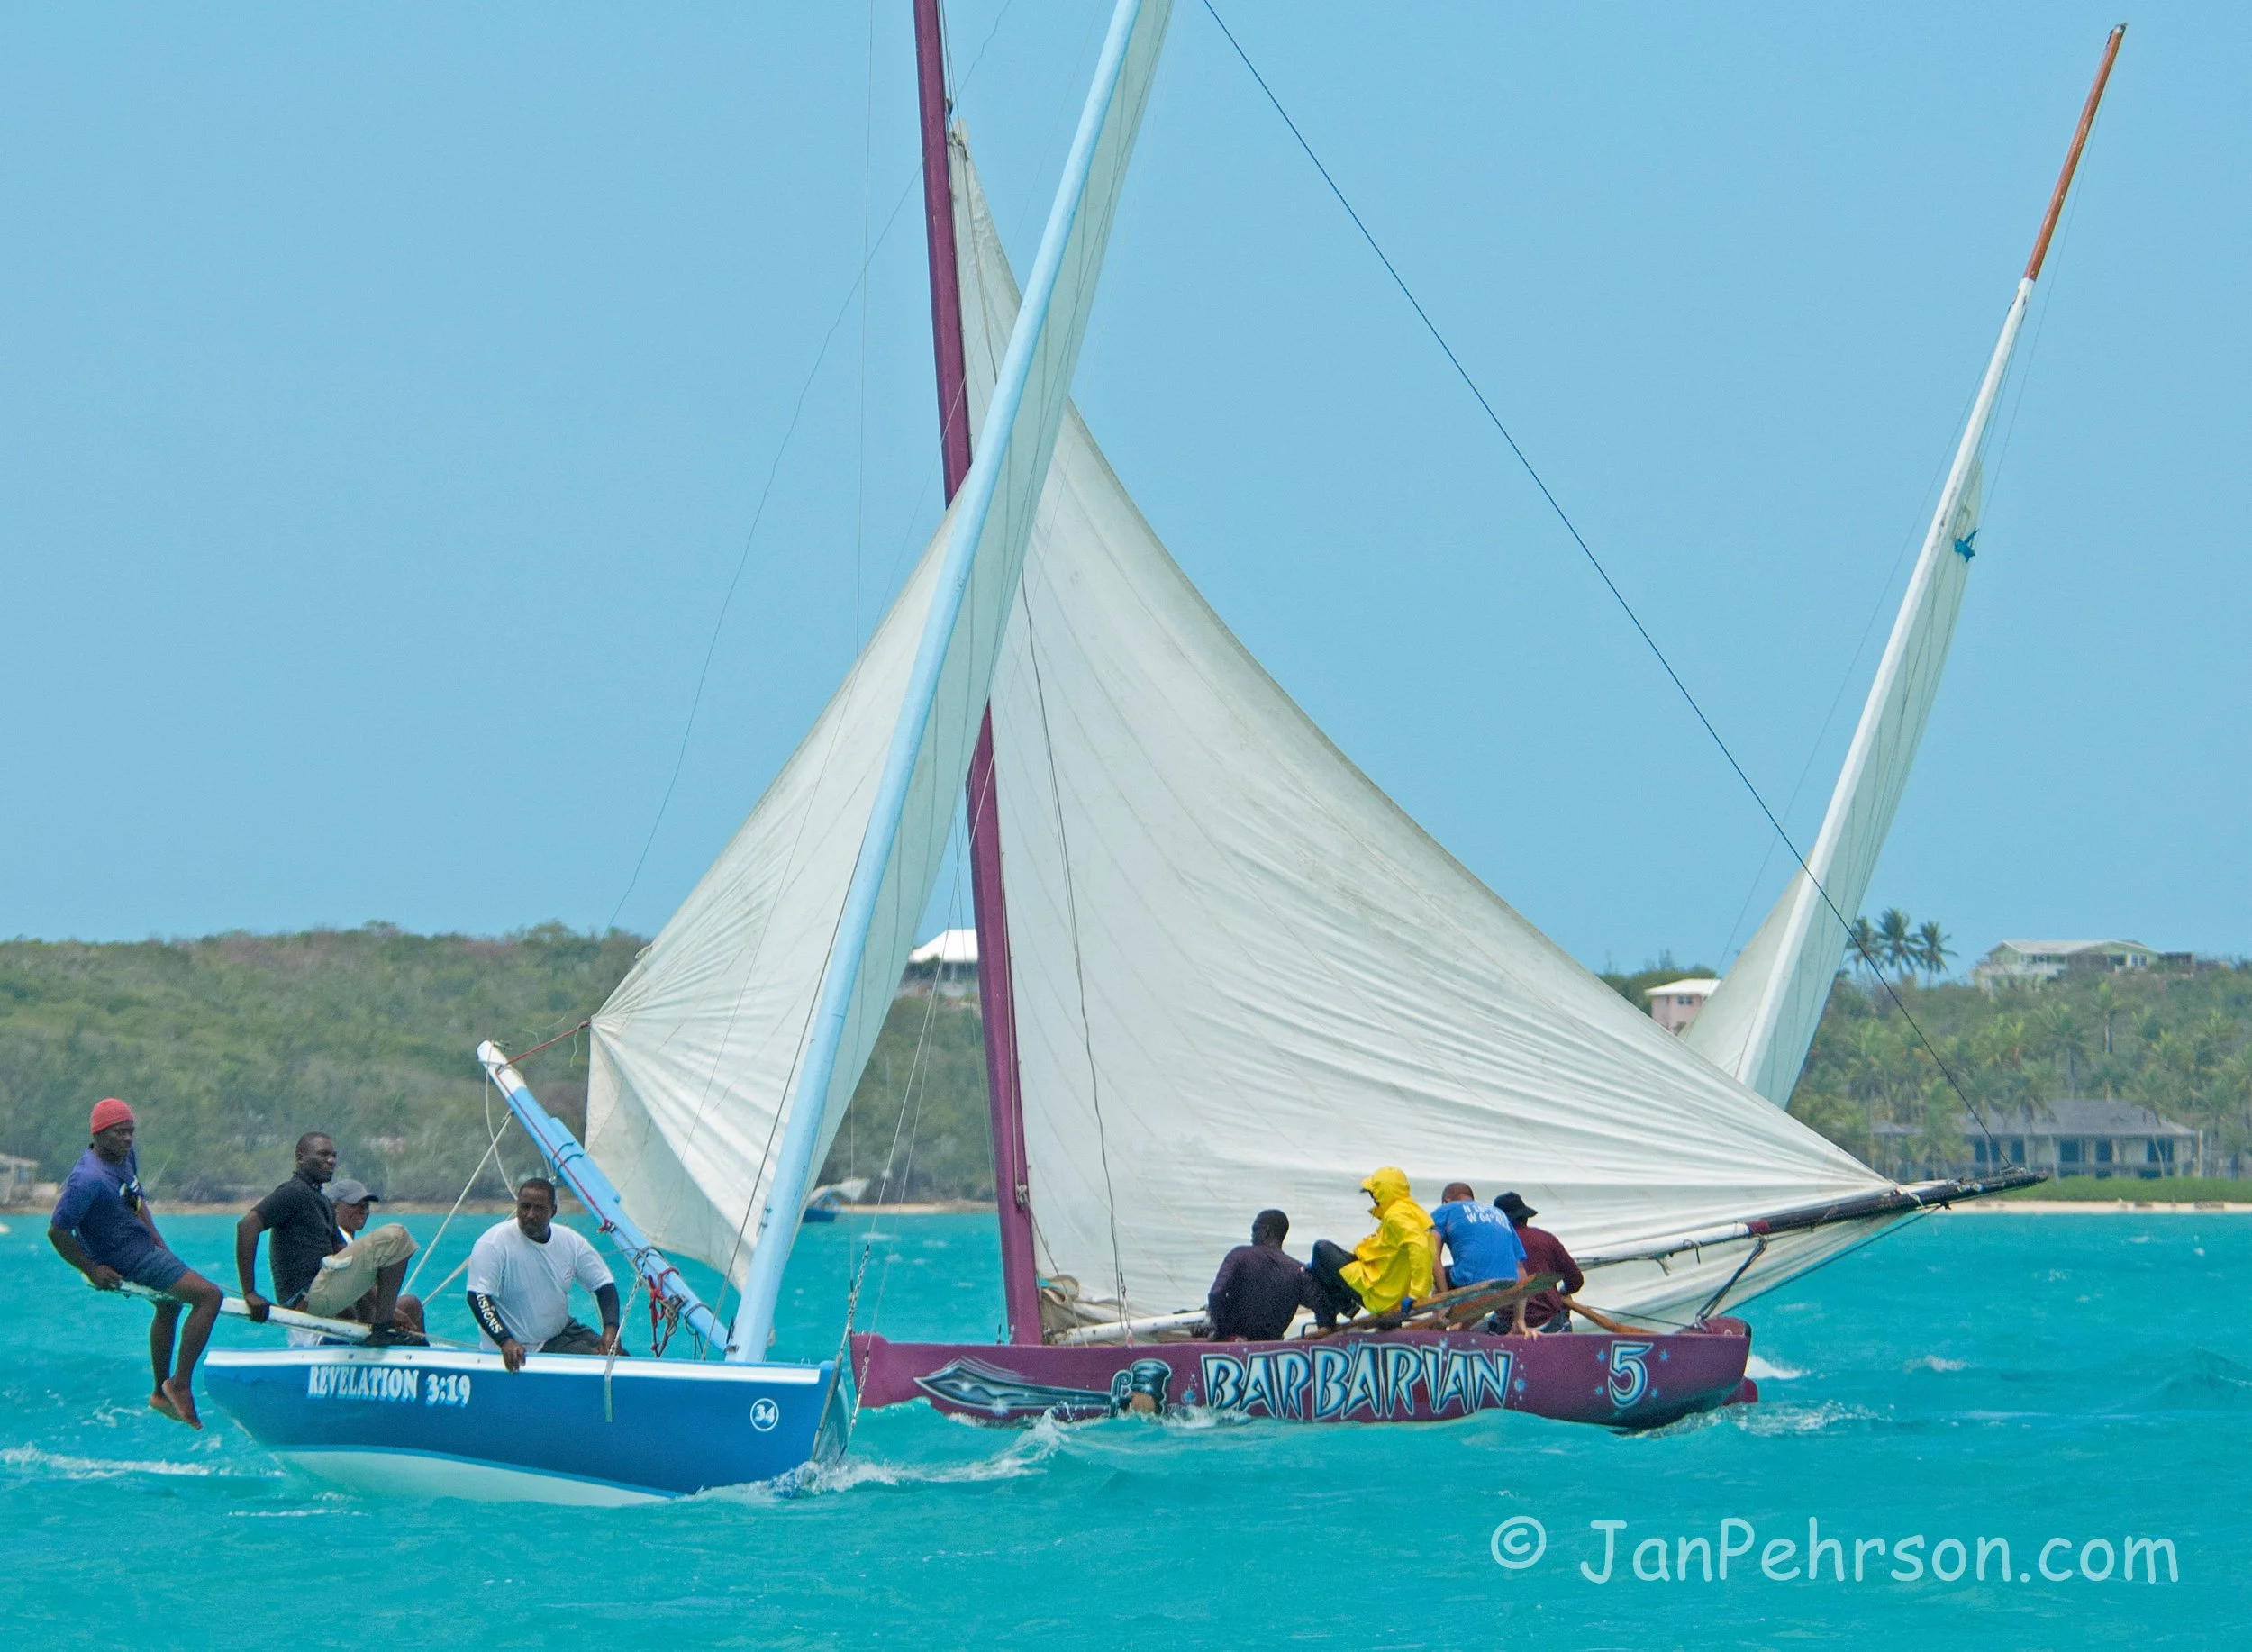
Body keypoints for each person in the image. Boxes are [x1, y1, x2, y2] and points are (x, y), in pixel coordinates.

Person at [47, 1099, 225, 1430]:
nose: (127, 1138)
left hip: (143, 1246)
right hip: (124, 1258)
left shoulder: (125, 1157)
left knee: (169, 1304)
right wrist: (92, 1269)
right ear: (98, 1134)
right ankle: (180, 1384)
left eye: (130, 1131)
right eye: (119, 1132)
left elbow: (134, 1199)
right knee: (209, 1297)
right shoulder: (87, 1180)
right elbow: (57, 1232)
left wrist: (157, 1238)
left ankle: (159, 1393)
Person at [236, 1133, 417, 1339]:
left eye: (333, 1155)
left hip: (323, 1288)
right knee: (396, 1236)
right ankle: (382, 1327)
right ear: (301, 1158)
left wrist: (389, 1307)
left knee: (394, 1255)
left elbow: (344, 1255)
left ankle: (382, 1324)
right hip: (306, 1296)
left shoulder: (322, 1202)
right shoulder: (293, 1192)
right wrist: (249, 1292)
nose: (331, 1161)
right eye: (323, 1155)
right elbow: (247, 1226)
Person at [465, 1179, 622, 1371]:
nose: (530, 1214)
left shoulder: (571, 1242)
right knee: (598, 1365)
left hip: (563, 1331)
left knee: (621, 1359)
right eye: (525, 1207)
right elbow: (477, 1297)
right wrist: (505, 1341)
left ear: (553, 1211)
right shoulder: (493, 1243)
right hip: (526, 1347)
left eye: (539, 1208)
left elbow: (604, 1286)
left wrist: (611, 1329)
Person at [1306, 1167, 1435, 1329]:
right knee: (1321, 1264)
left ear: (1381, 1193)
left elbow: (1419, 1247)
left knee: (1321, 1249)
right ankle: (1345, 1305)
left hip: (1380, 1293)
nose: (1373, 1199)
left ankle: (1341, 1308)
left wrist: (1416, 1293)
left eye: (1372, 1194)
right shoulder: (1410, 1210)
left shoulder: (1396, 1215)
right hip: (1386, 1286)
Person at [324, 1180, 424, 1338]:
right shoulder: (338, 1241)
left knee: (410, 1304)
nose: (363, 1210)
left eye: (366, 1206)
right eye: (355, 1205)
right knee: (411, 1305)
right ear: (335, 1207)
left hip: (347, 1317)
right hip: (333, 1328)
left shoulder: (345, 1242)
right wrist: (391, 1313)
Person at [1205, 1209, 1318, 1341]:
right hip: (1273, 1344)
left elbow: (1216, 1294)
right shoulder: (1298, 1270)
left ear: (1267, 1231)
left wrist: (1220, 1331)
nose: (1252, 1234)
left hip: (1234, 1341)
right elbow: (1320, 1306)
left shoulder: (1240, 1255)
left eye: (1255, 1229)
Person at [1494, 1191, 1584, 1332]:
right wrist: (1564, 1292)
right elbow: (1575, 1280)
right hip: (1550, 1321)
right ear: (1525, 1217)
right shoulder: (1547, 1239)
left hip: (1507, 1323)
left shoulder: (1494, 1244)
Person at [1430, 1182, 1527, 1293]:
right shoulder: (1499, 1213)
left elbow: (1432, 1254)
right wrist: (1519, 1300)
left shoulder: (1445, 1210)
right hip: (1509, 1282)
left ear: (1446, 1201)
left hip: (1470, 1281)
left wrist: (1444, 1294)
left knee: (1438, 1279)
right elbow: (1519, 1265)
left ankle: (1442, 1304)